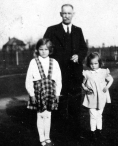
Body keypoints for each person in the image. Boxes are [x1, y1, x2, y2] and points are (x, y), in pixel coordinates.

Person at [43, 4, 87, 136]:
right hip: (58, 73)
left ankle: (75, 132)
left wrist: (79, 56)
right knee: (58, 103)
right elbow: (44, 49)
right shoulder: (51, 30)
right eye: (64, 13)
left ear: (73, 14)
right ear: (60, 14)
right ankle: (58, 133)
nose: (67, 16)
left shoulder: (78, 30)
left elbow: (83, 48)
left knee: (75, 104)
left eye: (69, 13)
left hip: (74, 73)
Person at [25, 38, 62, 146]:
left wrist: (57, 93)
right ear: (37, 50)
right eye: (41, 49)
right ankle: (41, 137)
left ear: (50, 50)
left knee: (48, 115)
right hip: (38, 93)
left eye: (46, 49)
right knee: (40, 115)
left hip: (50, 92)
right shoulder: (33, 62)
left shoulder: (54, 62)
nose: (44, 51)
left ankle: (47, 137)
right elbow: (28, 80)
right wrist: (31, 94)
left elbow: (58, 79)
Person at [82, 52, 114, 141]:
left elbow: (111, 79)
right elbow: (82, 83)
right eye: (91, 64)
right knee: (92, 115)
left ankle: (99, 131)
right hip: (91, 97)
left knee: (99, 114)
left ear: (99, 63)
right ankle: (92, 132)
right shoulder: (87, 73)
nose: (93, 66)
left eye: (95, 63)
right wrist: (85, 88)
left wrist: (106, 87)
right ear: (89, 64)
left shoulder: (104, 72)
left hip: (101, 97)